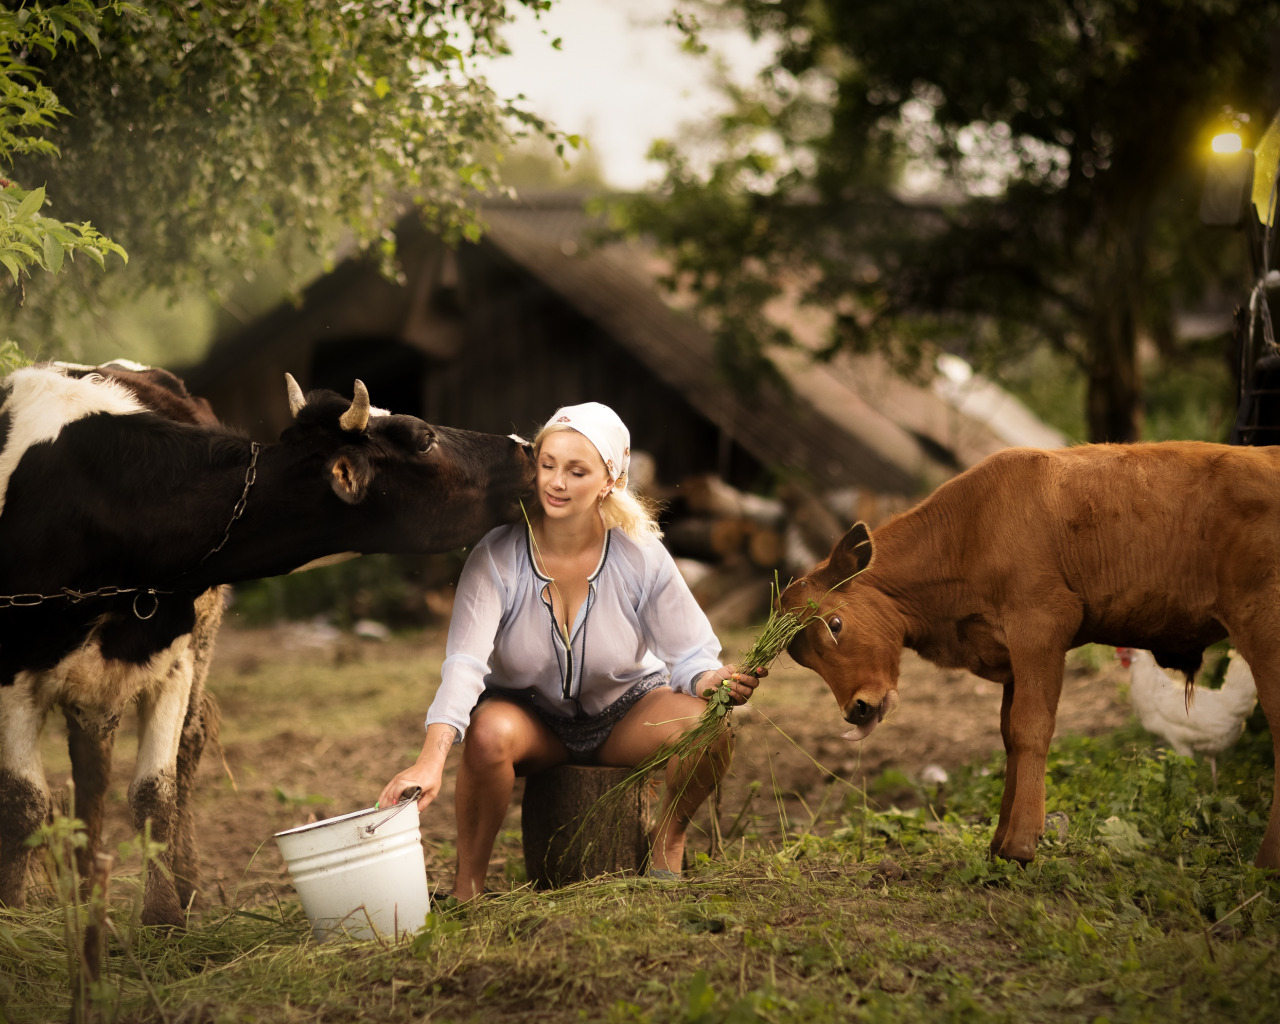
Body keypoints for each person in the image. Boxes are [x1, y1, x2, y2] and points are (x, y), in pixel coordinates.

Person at [379, 401, 764, 900]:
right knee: (488, 734)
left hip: (626, 714)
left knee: (708, 727)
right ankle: (466, 886)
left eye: (576, 471)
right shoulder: (497, 554)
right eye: (547, 465)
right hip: (532, 720)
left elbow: (690, 654)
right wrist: (430, 759)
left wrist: (710, 680)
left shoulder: (640, 552)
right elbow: (465, 663)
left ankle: (667, 844)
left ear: (609, 480)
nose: (555, 483)